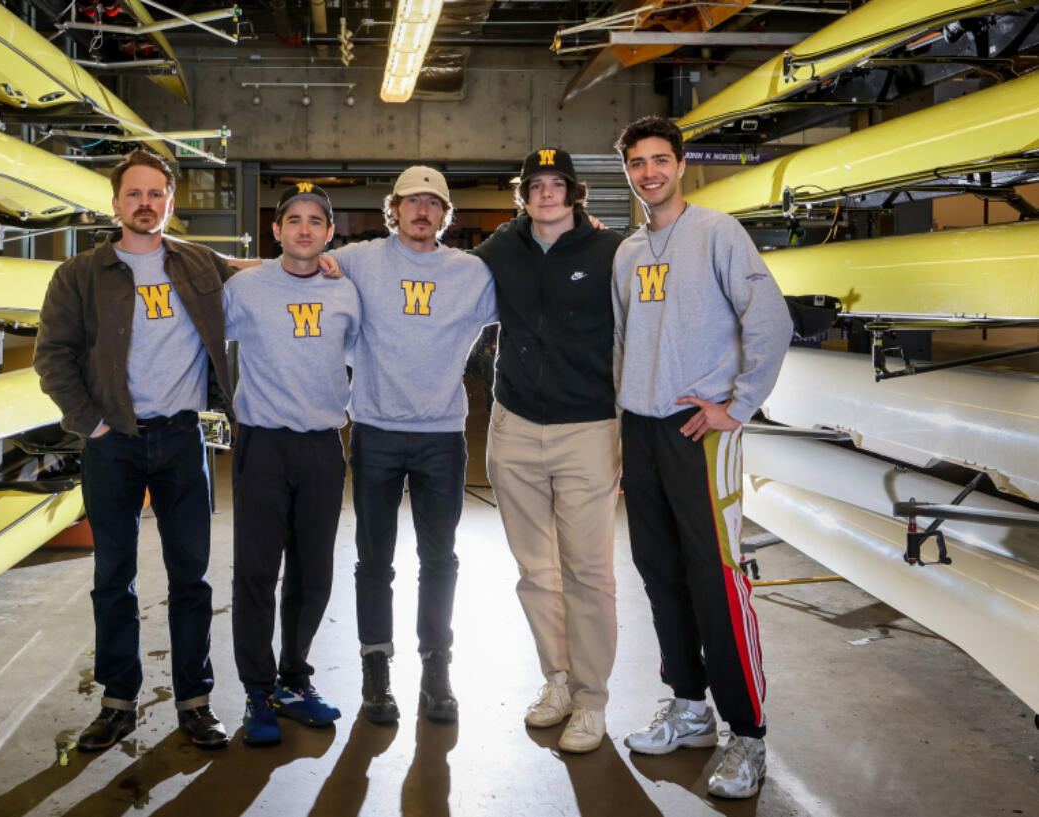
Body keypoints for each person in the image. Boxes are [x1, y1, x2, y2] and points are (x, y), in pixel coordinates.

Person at [611, 115, 792, 798]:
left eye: (660, 159)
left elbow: (769, 320)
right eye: (637, 162)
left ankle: (747, 735)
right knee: (659, 572)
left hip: (699, 430)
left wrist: (737, 405)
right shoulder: (628, 252)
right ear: (627, 170)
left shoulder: (717, 233)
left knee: (715, 577)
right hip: (643, 430)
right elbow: (626, 344)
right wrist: (626, 431)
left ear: (681, 164)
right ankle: (689, 705)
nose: (649, 172)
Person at [33, 149, 231, 751]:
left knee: (191, 576)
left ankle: (194, 700)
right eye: (134, 194)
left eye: (156, 195)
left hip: (181, 439)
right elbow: (53, 356)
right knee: (112, 576)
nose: (146, 204)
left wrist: (321, 261)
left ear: (170, 203)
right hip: (112, 442)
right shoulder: (79, 274)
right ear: (116, 204)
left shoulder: (198, 264)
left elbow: (259, 270)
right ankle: (118, 701)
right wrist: (90, 424)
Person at [330, 166, 498, 725]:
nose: (422, 211)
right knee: (373, 560)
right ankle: (375, 670)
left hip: (441, 438)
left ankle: (436, 670)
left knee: (439, 560)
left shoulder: (471, 273)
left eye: (434, 203)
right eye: (412, 201)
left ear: (446, 215)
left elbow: (535, 284)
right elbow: (294, 266)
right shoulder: (358, 259)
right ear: (393, 209)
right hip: (375, 431)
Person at [472, 148, 623, 754]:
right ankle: (557, 681)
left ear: (575, 192)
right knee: (536, 571)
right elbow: (434, 276)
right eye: (535, 185)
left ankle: (591, 700)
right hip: (513, 426)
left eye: (557, 184)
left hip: (587, 427)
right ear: (523, 194)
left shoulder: (613, 252)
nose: (546, 194)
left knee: (589, 572)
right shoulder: (500, 250)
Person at [224, 183, 360, 745]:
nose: (304, 229)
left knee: (312, 572)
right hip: (263, 443)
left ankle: (293, 679)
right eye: (293, 220)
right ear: (276, 231)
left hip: (323, 446)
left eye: (315, 221)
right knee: (256, 572)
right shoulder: (246, 289)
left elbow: (360, 353)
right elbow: (203, 340)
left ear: (329, 233)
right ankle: (257, 689)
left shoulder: (347, 292)